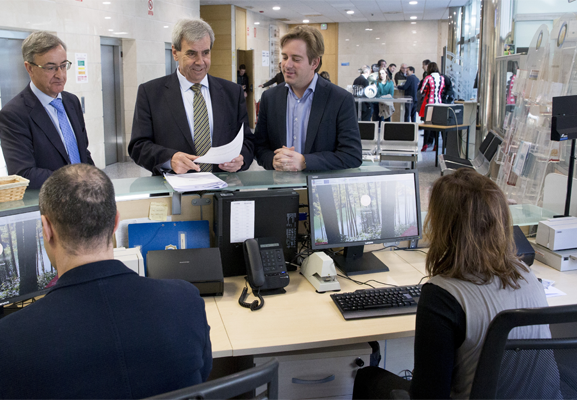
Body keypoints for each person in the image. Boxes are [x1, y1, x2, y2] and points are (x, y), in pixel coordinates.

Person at [0, 164, 213, 400]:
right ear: (116, 220)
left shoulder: (1, 343)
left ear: (46, 229)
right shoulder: (186, 301)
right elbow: (200, 375)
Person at [352, 169, 551, 400]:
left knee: (369, 377)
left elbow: (428, 396)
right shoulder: (527, 274)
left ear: (443, 225)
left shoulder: (443, 296)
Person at [128, 19, 255, 175]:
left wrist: (241, 159)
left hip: (223, 188)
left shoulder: (232, 93)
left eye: (206, 53)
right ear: (175, 52)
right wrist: (170, 159)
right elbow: (138, 147)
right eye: (191, 53)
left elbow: (248, 141)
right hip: (173, 192)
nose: (200, 62)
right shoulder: (150, 93)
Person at [253, 26, 361, 171]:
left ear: (315, 63)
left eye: (296, 59)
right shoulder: (270, 97)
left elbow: (352, 155)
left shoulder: (340, 99)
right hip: (280, 188)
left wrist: (305, 161)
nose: (287, 65)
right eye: (285, 57)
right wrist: (273, 160)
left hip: (321, 189)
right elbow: (259, 147)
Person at [0, 32, 94, 190]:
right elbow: (23, 173)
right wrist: (76, 180)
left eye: (63, 66)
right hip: (50, 205)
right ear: (29, 68)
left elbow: (83, 153)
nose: (60, 75)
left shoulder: (72, 102)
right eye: (50, 67)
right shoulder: (13, 115)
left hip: (84, 199)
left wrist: (96, 182)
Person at [419, 62, 446, 152]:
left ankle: (425, 144)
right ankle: (436, 144)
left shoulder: (428, 78)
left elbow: (422, 90)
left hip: (428, 103)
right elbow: (442, 90)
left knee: (427, 125)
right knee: (436, 125)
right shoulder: (442, 78)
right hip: (439, 103)